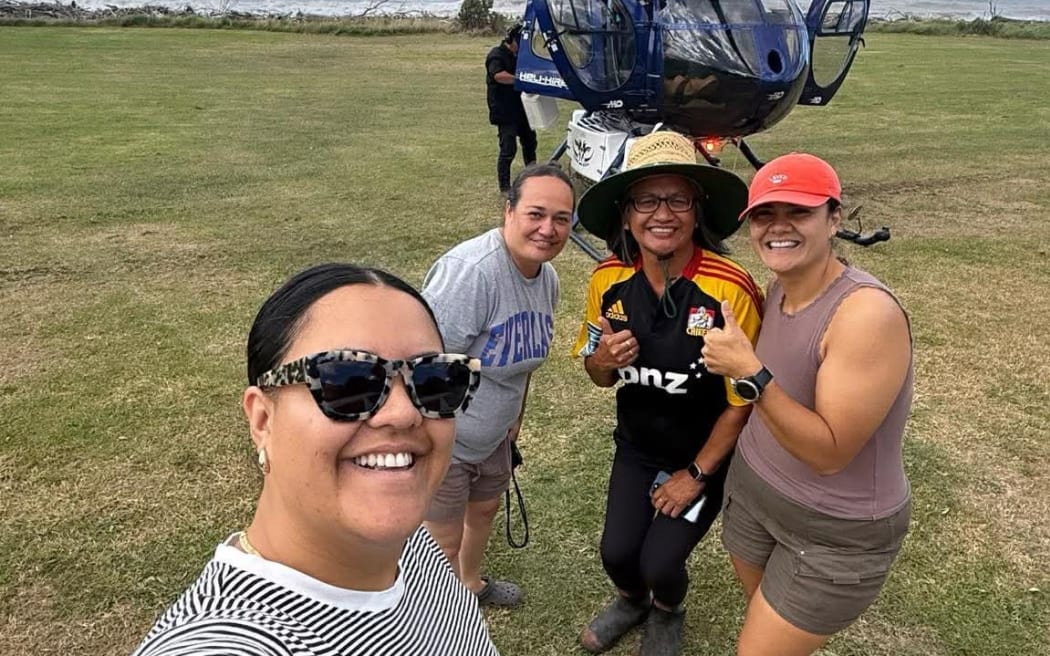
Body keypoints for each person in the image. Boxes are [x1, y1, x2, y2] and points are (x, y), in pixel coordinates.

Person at [131, 263, 500, 656]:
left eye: (434, 381)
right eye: (348, 381)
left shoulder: (409, 545)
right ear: (263, 420)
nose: (404, 413)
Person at [701, 153, 913, 656]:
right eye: (764, 215)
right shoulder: (778, 287)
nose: (778, 228)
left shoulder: (865, 315)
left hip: (833, 531)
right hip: (754, 497)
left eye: (798, 212)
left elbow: (829, 452)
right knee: (765, 619)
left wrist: (749, 371)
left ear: (834, 218)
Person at [571, 131, 763, 656]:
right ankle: (632, 601)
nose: (663, 213)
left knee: (661, 563)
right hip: (636, 448)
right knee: (617, 555)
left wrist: (695, 476)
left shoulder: (731, 288)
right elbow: (596, 371)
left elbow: (743, 402)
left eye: (677, 198)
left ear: (696, 210)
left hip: (704, 457)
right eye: (647, 200)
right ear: (627, 214)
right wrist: (601, 362)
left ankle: (666, 609)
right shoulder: (606, 281)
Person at [422, 164, 574, 608]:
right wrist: (435, 446)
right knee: (440, 543)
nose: (548, 229)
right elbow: (424, 368)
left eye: (561, 219)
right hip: (449, 439)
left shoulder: (547, 279)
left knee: (484, 509)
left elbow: (522, 366)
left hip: (496, 435)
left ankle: (469, 585)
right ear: (508, 211)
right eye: (536, 213)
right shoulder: (472, 273)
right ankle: (443, 620)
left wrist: (514, 425)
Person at [486, 23, 537, 194]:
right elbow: (498, 75)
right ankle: (505, 187)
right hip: (505, 110)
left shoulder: (519, 56)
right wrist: (520, 80)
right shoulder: (496, 55)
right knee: (508, 149)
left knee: (530, 143)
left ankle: (532, 178)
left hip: (522, 108)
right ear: (511, 40)